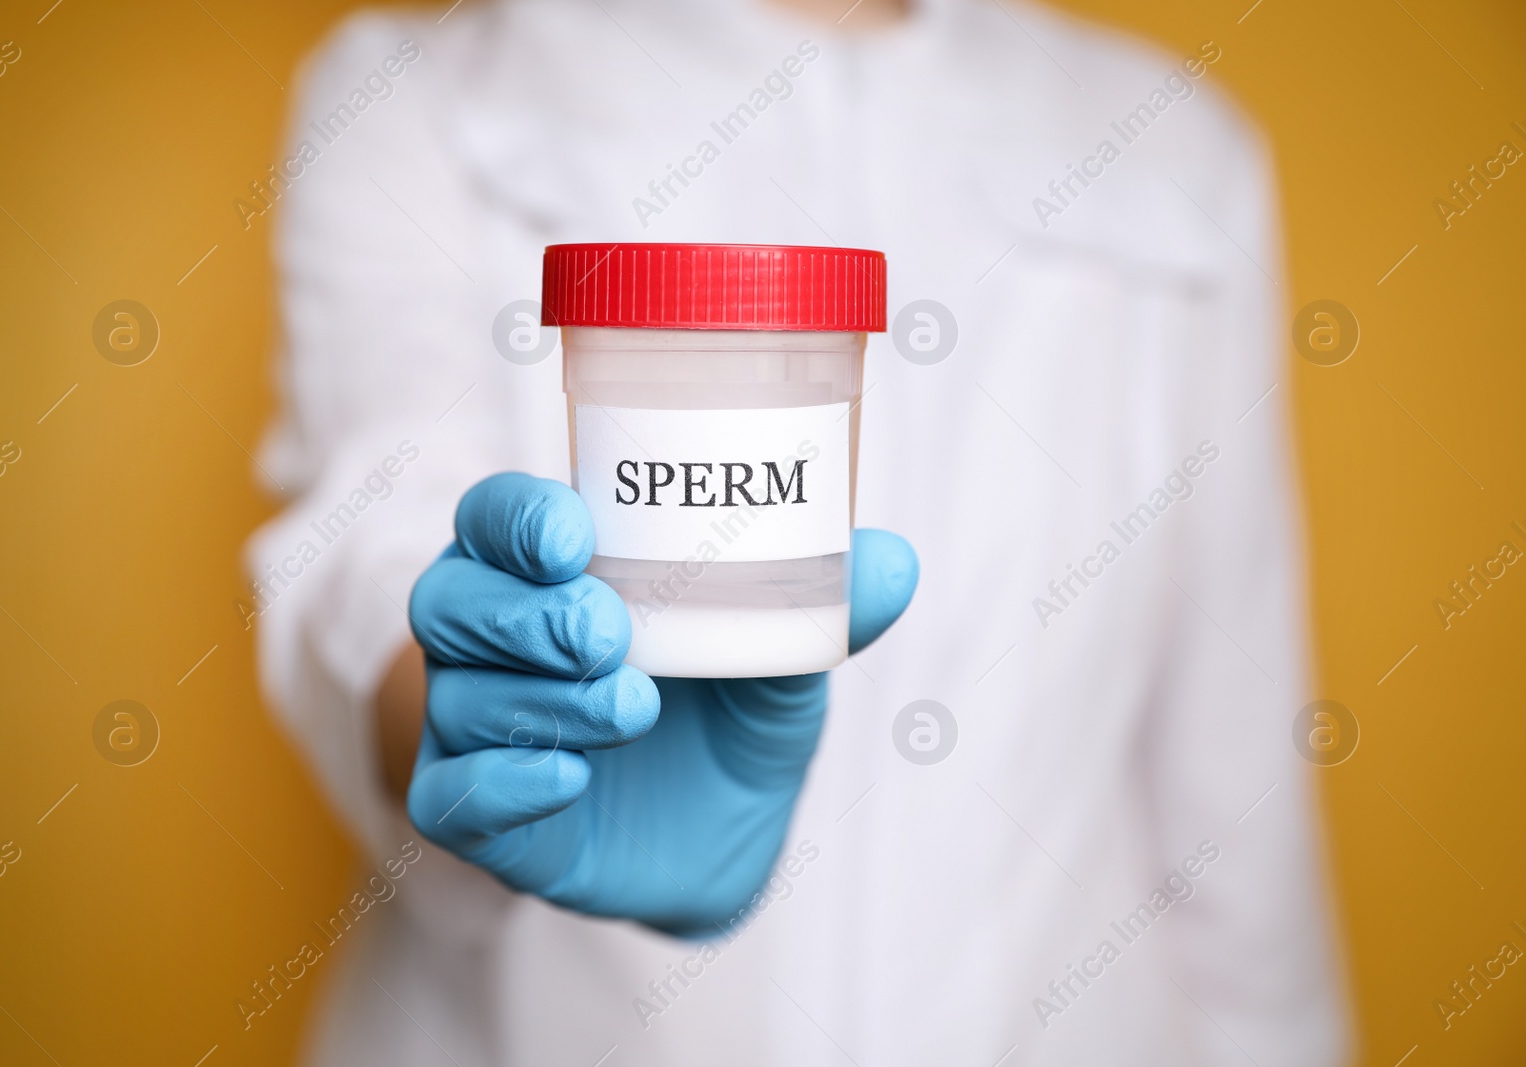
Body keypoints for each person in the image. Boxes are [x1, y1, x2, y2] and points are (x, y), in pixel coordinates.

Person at [246, 0, 1352, 1062]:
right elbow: (370, 551)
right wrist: (478, 718)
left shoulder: (1172, 148)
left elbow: (1236, 782)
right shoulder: (419, 92)